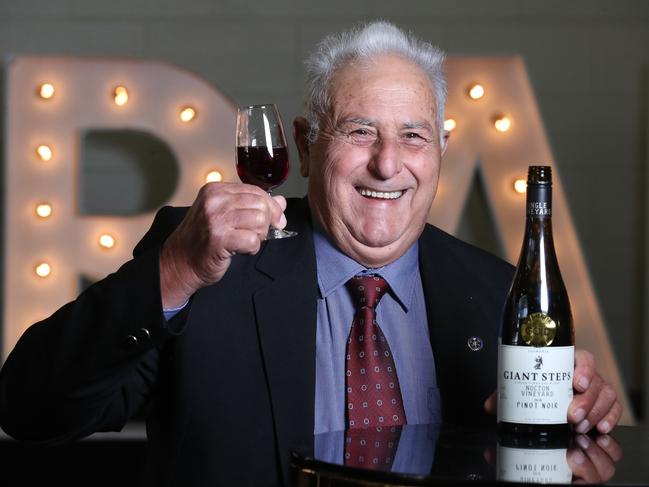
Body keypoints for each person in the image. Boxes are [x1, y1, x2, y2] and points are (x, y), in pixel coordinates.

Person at [0, 21, 622, 486]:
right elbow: (30, 410)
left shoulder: (495, 291)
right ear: (305, 143)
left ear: (443, 148)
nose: (388, 162)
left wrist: (576, 425)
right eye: (359, 131)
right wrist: (171, 274)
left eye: (413, 135)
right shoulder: (203, 265)